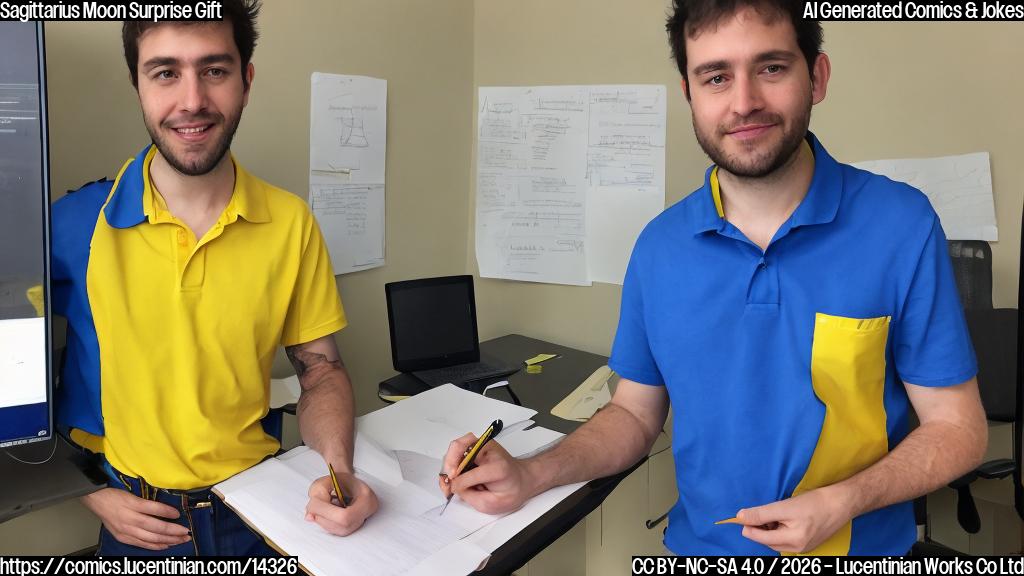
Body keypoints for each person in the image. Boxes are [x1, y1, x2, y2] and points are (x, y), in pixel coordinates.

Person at [440, 0, 988, 556]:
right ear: (691, 94)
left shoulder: (900, 224)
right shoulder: (659, 248)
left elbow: (958, 429)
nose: (744, 102)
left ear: (817, 77)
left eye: (771, 67)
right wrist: (532, 472)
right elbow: (633, 414)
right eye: (716, 77)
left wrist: (843, 501)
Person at [51, 0, 378, 555]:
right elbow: (21, 386)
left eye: (214, 70)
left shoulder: (290, 223)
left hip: (258, 510)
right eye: (165, 73)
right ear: (137, 84)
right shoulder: (73, 225)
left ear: (245, 81)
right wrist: (86, 490)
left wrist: (338, 470)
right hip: (137, 525)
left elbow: (321, 370)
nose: (192, 100)